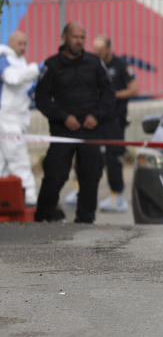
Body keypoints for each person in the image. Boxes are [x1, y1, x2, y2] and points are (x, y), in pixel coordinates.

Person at [34, 22, 114, 223]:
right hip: (64, 130)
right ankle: (44, 214)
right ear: (64, 38)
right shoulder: (51, 65)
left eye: (82, 37)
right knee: (55, 174)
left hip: (90, 130)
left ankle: (86, 219)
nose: (79, 41)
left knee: (90, 175)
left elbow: (108, 95)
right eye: (75, 37)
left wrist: (96, 116)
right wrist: (63, 117)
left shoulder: (94, 62)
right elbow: (42, 99)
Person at [93, 35, 138, 213]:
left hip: (115, 120)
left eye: (101, 52)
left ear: (109, 49)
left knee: (114, 157)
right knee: (90, 156)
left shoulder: (121, 66)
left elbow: (134, 89)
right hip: (98, 119)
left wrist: (113, 95)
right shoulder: (95, 66)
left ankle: (117, 196)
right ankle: (82, 189)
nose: (98, 55)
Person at [0, 31, 41, 206]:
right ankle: (29, 197)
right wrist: (36, 69)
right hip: (8, 121)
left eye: (25, 43)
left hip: (16, 120)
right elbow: (12, 78)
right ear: (10, 43)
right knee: (19, 161)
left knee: (4, 164)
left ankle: (8, 200)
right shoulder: (4, 58)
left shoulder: (19, 61)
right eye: (19, 43)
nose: (23, 47)